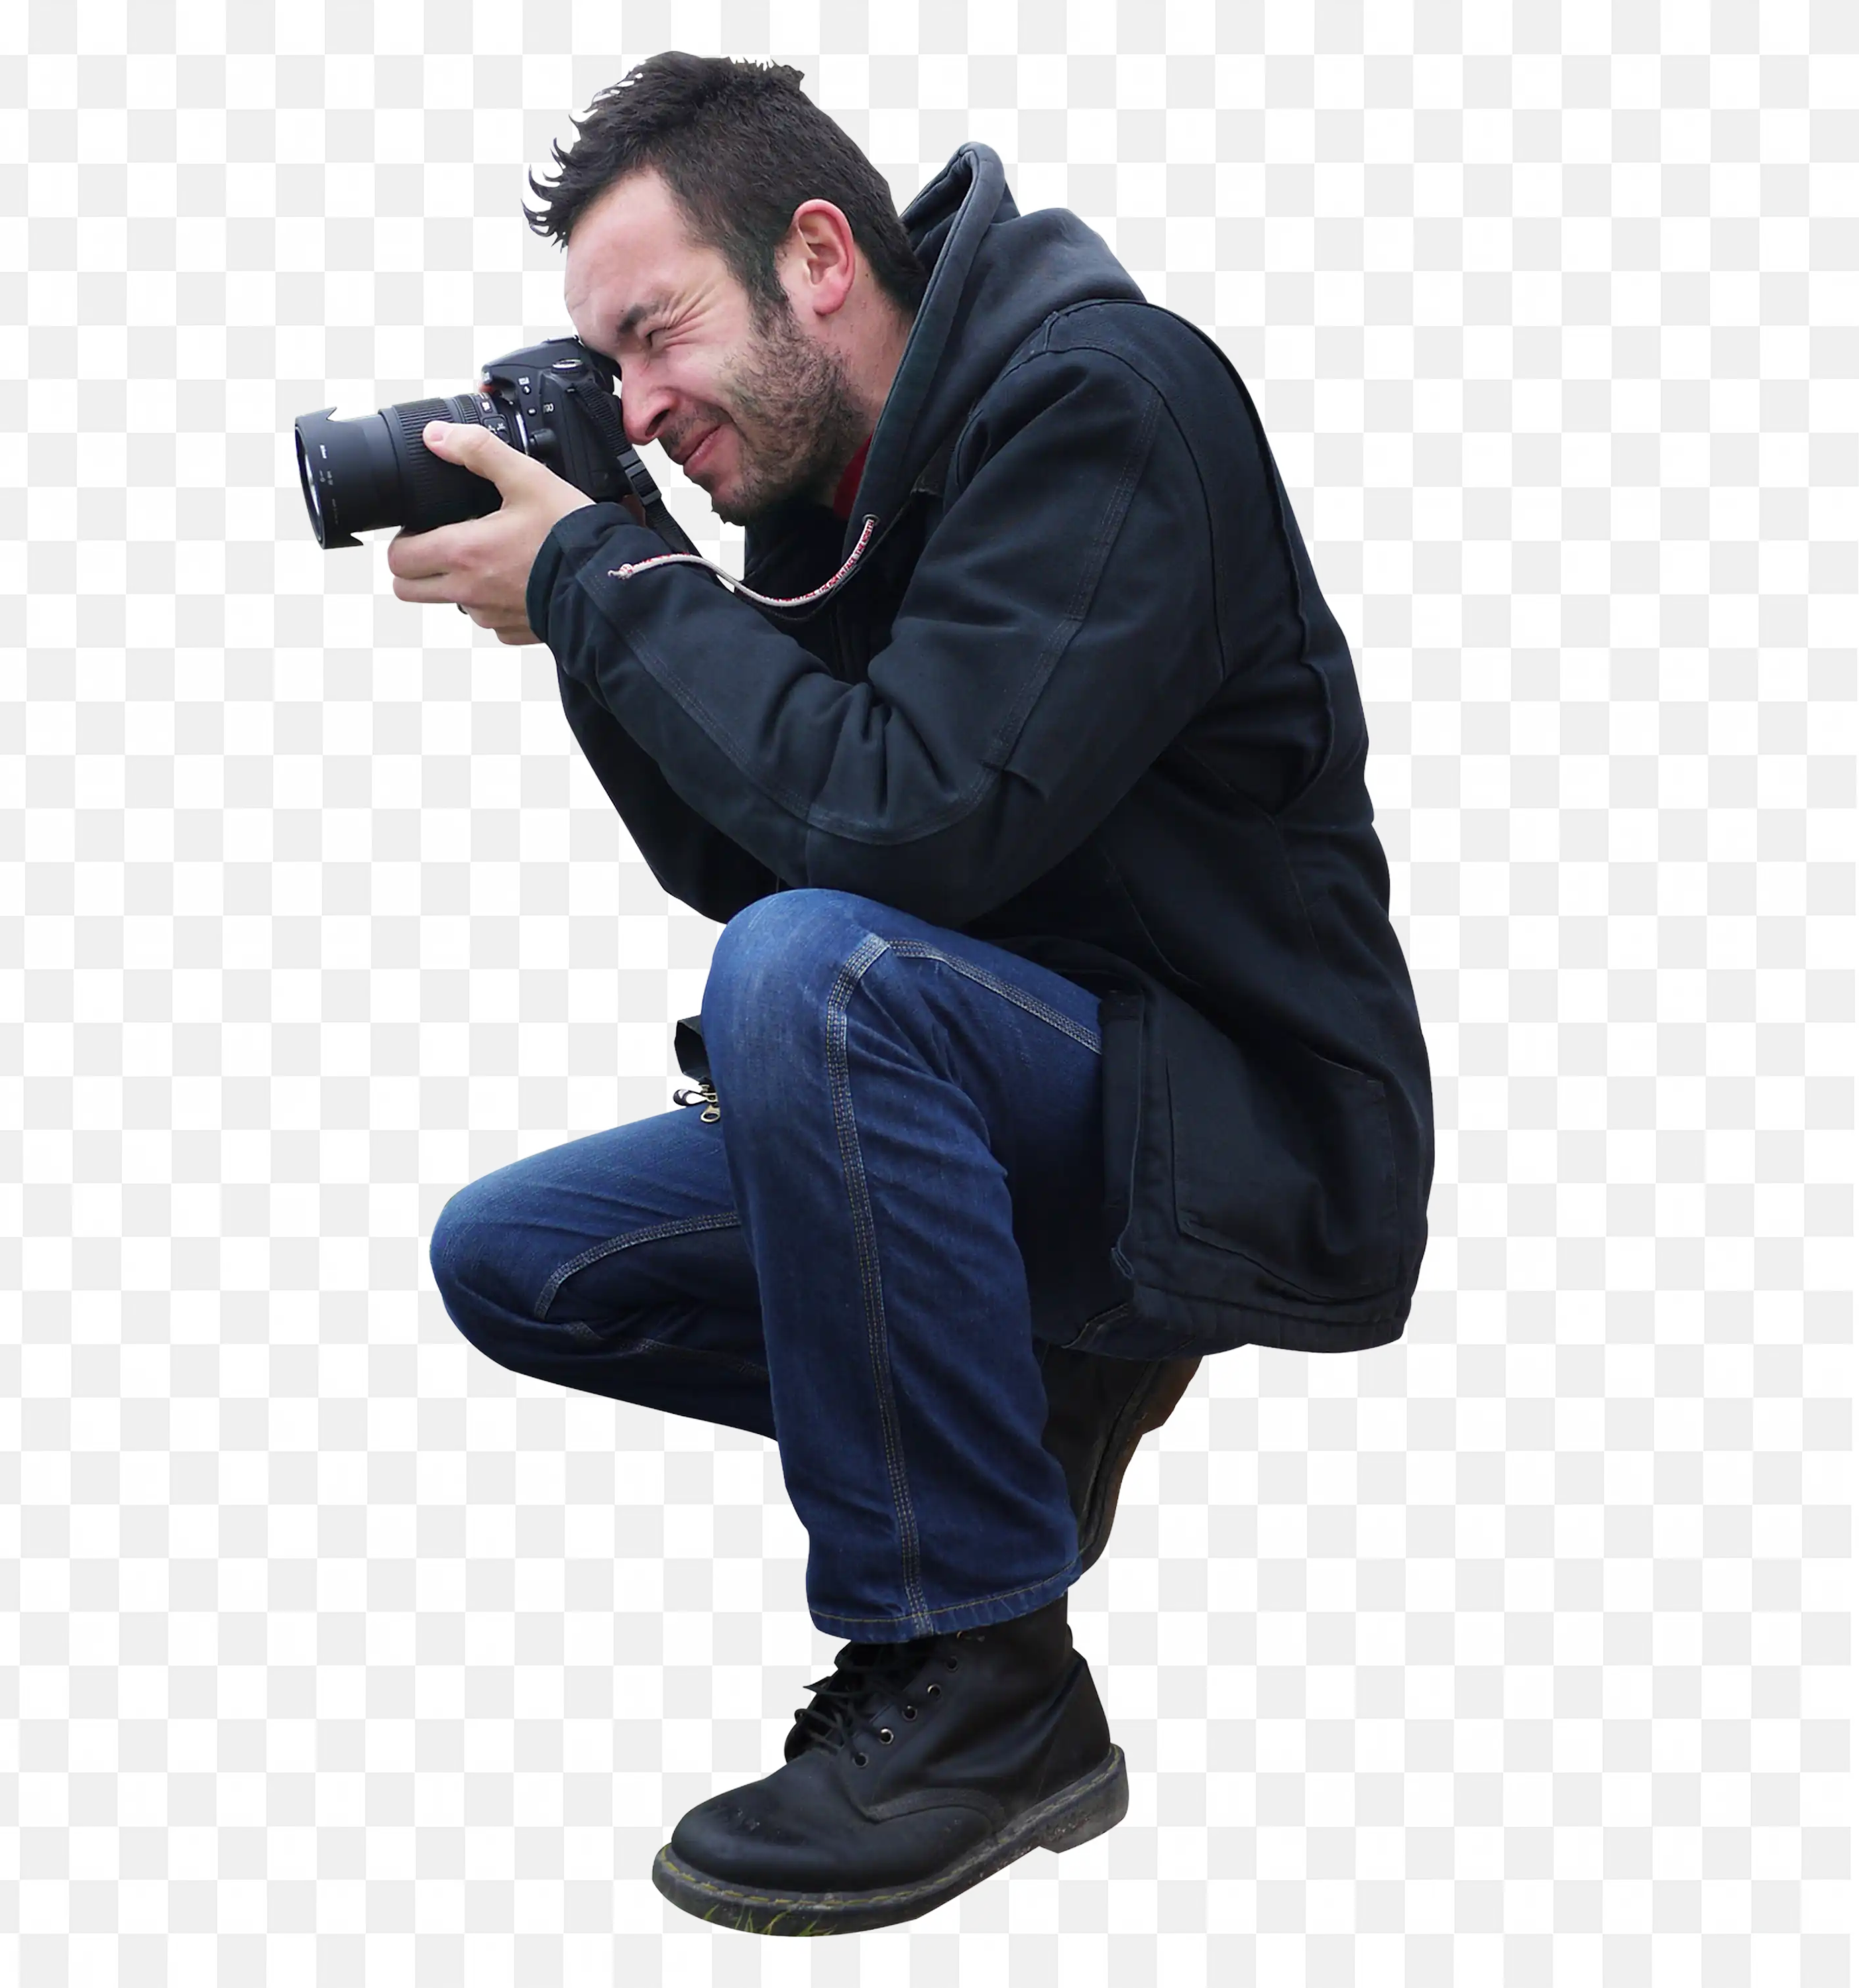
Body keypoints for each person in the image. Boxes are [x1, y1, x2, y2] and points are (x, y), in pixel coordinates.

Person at [400, 52, 1434, 1937]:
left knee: (818, 977)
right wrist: (587, 610)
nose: (638, 406)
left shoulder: (1102, 402)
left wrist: (605, 577)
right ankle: (1036, 1389)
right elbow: (754, 847)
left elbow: (909, 835)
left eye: (656, 335)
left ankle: (984, 1684)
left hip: (1235, 1122)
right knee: (518, 1259)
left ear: (814, 256)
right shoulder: (833, 495)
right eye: (608, 376)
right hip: (1027, 1104)